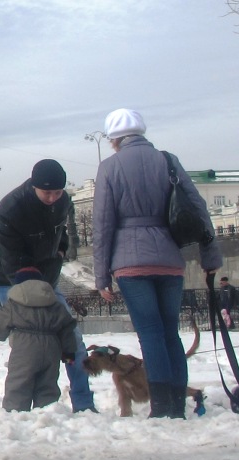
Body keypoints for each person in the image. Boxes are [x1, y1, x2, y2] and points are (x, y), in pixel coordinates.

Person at [92, 108, 221, 418]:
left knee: (150, 334)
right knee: (169, 333)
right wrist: (210, 255)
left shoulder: (110, 167)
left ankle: (161, 407)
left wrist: (101, 277)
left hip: (130, 262)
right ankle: (176, 404)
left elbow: (103, 225)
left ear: (113, 140)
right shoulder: (168, 160)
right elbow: (198, 208)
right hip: (169, 259)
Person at [0, 158, 97, 413]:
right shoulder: (11, 207)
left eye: (57, 192)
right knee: (29, 344)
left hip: (48, 275)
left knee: (72, 340)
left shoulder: (63, 201)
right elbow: (11, 256)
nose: (52, 198)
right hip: (12, 279)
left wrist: (60, 251)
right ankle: (21, 406)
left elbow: (65, 233)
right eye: (46, 193)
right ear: (34, 186)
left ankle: (83, 404)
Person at [0, 268, 79, 412]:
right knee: (48, 383)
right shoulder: (54, 304)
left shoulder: (14, 304)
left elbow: (0, 319)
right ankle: (47, 413)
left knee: (19, 382)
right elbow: (67, 327)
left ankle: (15, 413)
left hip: (25, 347)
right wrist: (69, 352)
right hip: (51, 347)